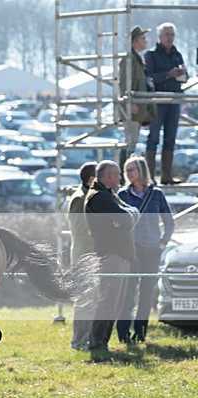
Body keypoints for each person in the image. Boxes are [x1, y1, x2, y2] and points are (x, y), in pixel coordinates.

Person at [116, 156, 174, 343]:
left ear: (142, 170)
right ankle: (124, 334)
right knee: (129, 293)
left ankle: (140, 333)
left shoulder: (156, 194)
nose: (129, 173)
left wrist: (162, 244)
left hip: (153, 250)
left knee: (147, 294)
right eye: (127, 170)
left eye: (132, 169)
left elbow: (169, 222)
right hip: (133, 250)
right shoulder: (123, 195)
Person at [84, 160, 139, 352]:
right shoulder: (99, 198)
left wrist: (126, 216)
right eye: (117, 174)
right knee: (107, 302)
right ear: (108, 177)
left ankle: (102, 342)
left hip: (120, 255)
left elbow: (133, 214)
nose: (121, 178)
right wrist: (125, 217)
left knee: (115, 302)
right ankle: (96, 343)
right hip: (111, 256)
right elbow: (128, 220)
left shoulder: (110, 195)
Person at [144, 22, 188, 184]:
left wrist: (182, 74)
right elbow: (149, 77)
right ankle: (149, 177)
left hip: (174, 100)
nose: (170, 38)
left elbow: (185, 76)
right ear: (160, 37)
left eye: (172, 34)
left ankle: (166, 176)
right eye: (167, 34)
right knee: (153, 137)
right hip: (158, 101)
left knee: (171, 138)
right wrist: (168, 74)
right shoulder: (151, 55)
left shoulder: (177, 55)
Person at [67, 162, 97, 351]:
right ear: (91, 179)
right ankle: (78, 341)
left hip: (94, 256)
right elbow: (79, 229)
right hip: (84, 257)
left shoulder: (92, 196)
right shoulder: (79, 198)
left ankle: (90, 340)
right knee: (85, 301)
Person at [119, 26, 157, 168]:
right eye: (142, 38)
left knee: (132, 141)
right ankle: (124, 173)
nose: (145, 41)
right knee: (130, 141)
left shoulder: (136, 58)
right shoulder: (129, 59)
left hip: (137, 107)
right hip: (132, 108)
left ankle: (125, 172)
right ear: (135, 42)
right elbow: (124, 83)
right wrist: (129, 103)